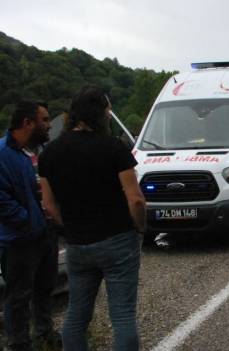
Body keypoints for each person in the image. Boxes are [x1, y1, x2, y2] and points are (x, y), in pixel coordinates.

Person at [38, 86, 146, 351]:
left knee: (76, 316)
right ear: (98, 113)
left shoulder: (49, 153)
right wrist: (140, 227)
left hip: (77, 245)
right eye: (107, 111)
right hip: (118, 239)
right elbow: (136, 199)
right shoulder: (113, 147)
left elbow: (49, 206)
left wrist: (73, 226)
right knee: (122, 315)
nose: (109, 116)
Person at [0, 101, 60, 351]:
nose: (49, 125)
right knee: (18, 296)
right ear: (27, 123)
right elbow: (2, 201)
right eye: (44, 120)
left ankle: (44, 334)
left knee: (45, 287)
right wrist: (29, 221)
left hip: (45, 234)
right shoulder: (3, 153)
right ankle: (18, 344)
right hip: (19, 240)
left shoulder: (37, 151)